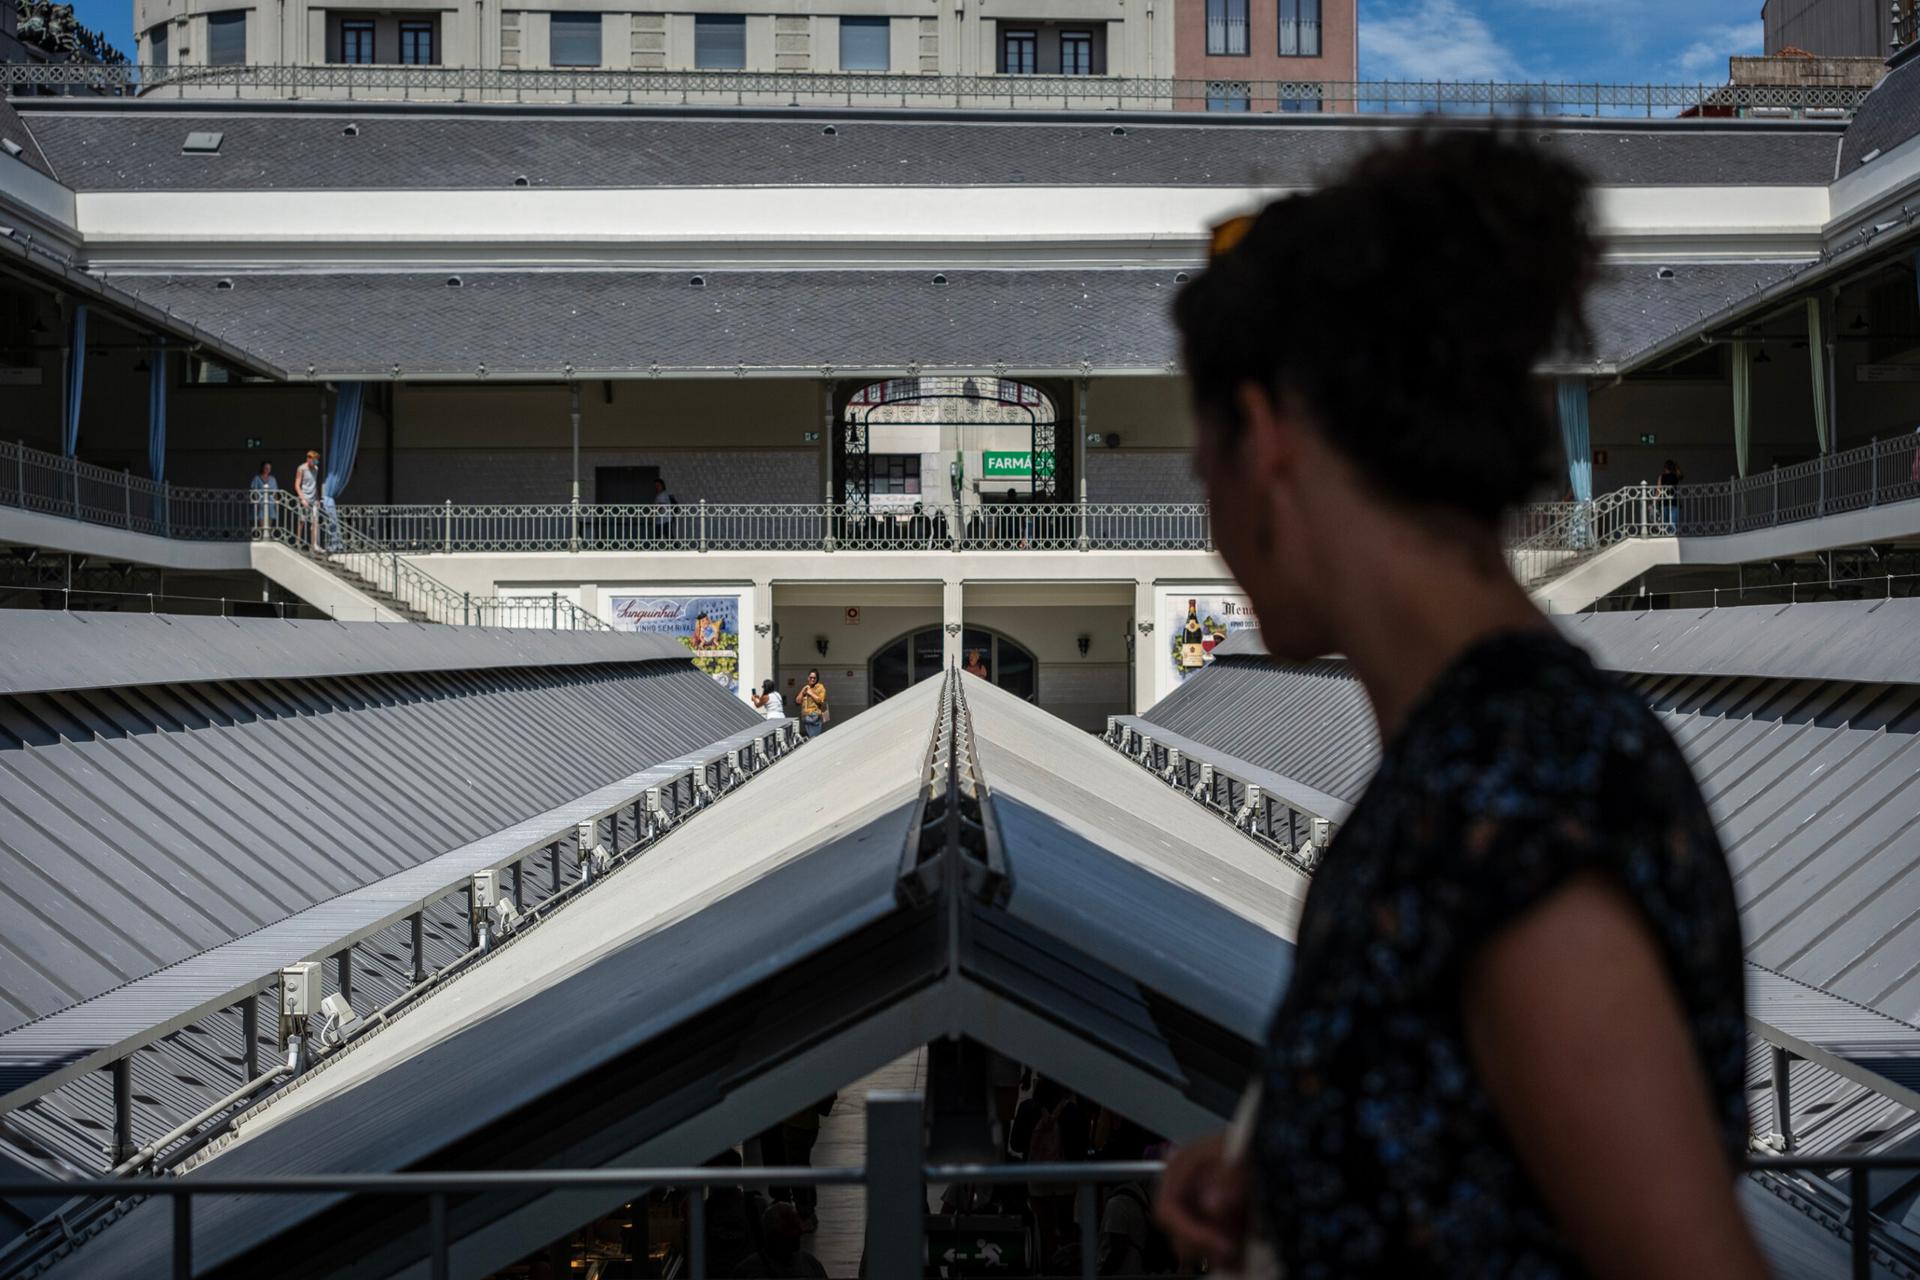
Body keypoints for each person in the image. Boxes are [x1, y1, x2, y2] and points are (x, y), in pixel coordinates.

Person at [1154, 129, 1761, 1280]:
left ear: (1270, 440)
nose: (1214, 527)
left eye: (1205, 472)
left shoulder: (1512, 805)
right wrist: (1294, 1181)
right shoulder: (1513, 766)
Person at [731, 1202, 827, 1279]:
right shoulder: (809, 1264)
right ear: (773, 1234)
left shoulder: (810, 1263)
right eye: (792, 1227)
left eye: (798, 1226)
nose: (800, 1232)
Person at [293, 450, 322, 552]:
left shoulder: (316, 469)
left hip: (314, 499)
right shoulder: (301, 468)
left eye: (316, 461)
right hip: (304, 497)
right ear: (308, 459)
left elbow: (315, 484)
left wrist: (318, 498)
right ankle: (297, 542)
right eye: (314, 460)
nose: (315, 462)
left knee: (315, 521)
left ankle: (314, 544)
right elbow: (297, 485)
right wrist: (302, 499)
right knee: (302, 521)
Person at [248, 461, 278, 538]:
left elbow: (275, 492)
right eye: (266, 468)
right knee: (260, 518)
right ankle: (262, 536)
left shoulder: (272, 479)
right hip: (260, 502)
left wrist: (275, 503)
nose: (267, 470)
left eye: (269, 468)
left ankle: (268, 535)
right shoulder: (257, 478)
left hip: (270, 502)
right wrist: (256, 501)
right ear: (262, 468)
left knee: (270, 517)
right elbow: (254, 491)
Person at [797, 670, 829, 738]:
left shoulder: (820, 687)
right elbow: (798, 701)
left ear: (817, 679)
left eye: (814, 678)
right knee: (810, 739)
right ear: (808, 678)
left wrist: (810, 693)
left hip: (814, 716)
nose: (812, 679)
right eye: (811, 677)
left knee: (814, 739)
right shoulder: (806, 688)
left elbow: (820, 700)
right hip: (805, 717)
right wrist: (802, 691)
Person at [1658, 457, 1683, 532]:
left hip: (1664, 502)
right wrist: (1677, 467)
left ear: (1665, 467)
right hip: (1673, 502)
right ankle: (1672, 537)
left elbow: (1658, 489)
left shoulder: (1661, 477)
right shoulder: (1675, 476)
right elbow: (1681, 476)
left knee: (1666, 524)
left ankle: (1667, 537)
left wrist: (1655, 499)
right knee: (1672, 524)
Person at [654, 475, 678, 543]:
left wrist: (652, 514)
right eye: (655, 486)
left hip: (665, 519)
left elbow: (660, 506)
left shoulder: (663, 494)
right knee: (665, 536)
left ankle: (674, 548)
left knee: (667, 536)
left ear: (662, 485)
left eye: (658, 485)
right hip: (662, 519)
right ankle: (673, 548)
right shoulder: (660, 494)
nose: (656, 487)